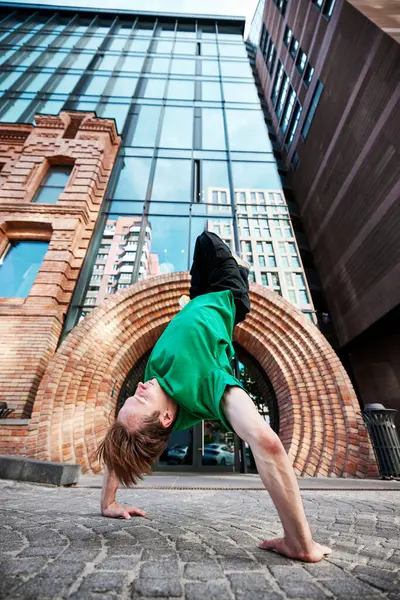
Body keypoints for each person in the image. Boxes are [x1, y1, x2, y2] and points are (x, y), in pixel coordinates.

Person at [97, 231, 332, 563]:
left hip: (199, 297)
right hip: (226, 293)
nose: (139, 388)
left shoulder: (154, 385)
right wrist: (301, 543)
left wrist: (108, 503)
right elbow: (267, 444)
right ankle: (242, 273)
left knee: (200, 259)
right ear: (165, 418)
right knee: (207, 241)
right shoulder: (209, 388)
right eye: (140, 400)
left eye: (131, 398)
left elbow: (122, 445)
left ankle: (234, 277)